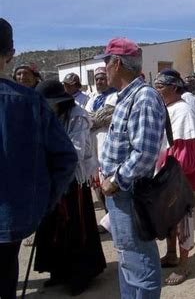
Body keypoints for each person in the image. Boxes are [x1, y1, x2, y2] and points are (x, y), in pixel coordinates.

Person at [0, 18, 78, 299]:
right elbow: (66, 158)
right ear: (10, 55)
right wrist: (42, 203)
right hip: (11, 220)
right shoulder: (29, 102)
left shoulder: (33, 101)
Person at [98, 37, 166, 298]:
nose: (104, 68)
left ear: (116, 63)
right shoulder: (126, 97)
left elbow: (145, 154)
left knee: (140, 261)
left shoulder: (144, 97)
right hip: (121, 194)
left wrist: (115, 180)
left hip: (130, 194)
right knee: (128, 258)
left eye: (106, 61)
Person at [34, 80, 106, 296]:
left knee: (75, 227)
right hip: (51, 178)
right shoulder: (45, 116)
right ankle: (58, 270)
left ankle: (80, 275)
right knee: (51, 227)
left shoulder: (77, 115)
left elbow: (73, 151)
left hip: (73, 179)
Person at [155, 70, 195, 286]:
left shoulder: (184, 112)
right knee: (170, 220)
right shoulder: (167, 109)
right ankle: (171, 254)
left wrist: (169, 175)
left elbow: (188, 157)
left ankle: (183, 266)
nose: (157, 90)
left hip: (180, 181)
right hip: (167, 178)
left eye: (161, 86)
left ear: (174, 88)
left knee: (183, 223)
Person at [85, 66, 118, 225]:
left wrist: (91, 120)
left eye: (103, 78)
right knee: (96, 184)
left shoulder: (115, 96)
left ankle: (115, 220)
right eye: (97, 79)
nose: (99, 81)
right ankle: (107, 219)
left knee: (109, 184)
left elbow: (100, 118)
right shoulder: (92, 99)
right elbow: (86, 120)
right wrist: (92, 120)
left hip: (107, 145)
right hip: (93, 147)